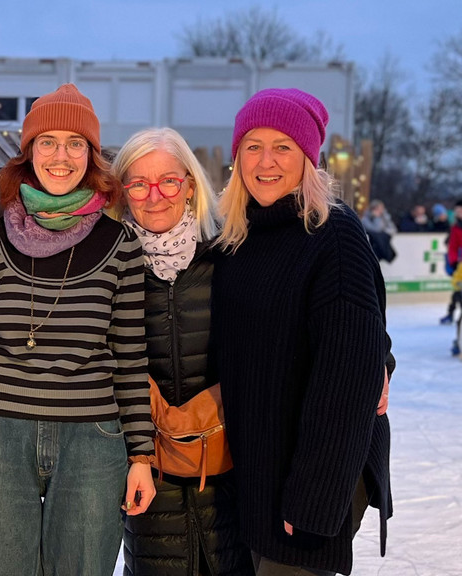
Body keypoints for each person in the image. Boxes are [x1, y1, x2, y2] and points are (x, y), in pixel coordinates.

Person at [0, 83, 156, 576]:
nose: (61, 157)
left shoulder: (120, 244)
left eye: (75, 143)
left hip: (93, 441)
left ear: (91, 155)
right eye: (48, 142)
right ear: (29, 152)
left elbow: (130, 358)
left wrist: (141, 456)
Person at [211, 88, 393, 576]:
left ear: (309, 158)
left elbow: (346, 377)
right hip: (258, 468)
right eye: (253, 146)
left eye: (283, 147)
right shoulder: (237, 238)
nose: (265, 161)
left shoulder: (333, 234)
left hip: (315, 477)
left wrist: (314, 500)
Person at [110, 127, 255, 576]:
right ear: (123, 191)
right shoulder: (108, 267)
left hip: (229, 481)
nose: (155, 196)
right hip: (148, 481)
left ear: (190, 185)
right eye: (139, 184)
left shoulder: (231, 255)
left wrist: (379, 359)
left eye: (169, 181)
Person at [444, 199, 462, 351]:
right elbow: (452, 247)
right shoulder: (455, 228)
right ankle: (459, 340)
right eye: (457, 211)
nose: (458, 213)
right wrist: (454, 262)